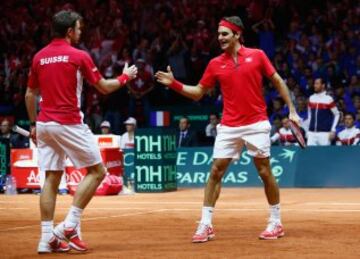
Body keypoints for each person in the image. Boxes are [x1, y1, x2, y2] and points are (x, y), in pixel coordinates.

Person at [155, 16, 300, 242]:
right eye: (219, 34)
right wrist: (174, 84)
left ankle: (276, 221)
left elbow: (278, 81)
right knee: (215, 172)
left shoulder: (257, 55)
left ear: (237, 34)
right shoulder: (215, 64)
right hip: (229, 125)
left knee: (264, 172)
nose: (220, 37)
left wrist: (292, 110)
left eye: (224, 34)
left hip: (256, 123)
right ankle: (206, 224)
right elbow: (198, 92)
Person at [25, 10, 137, 254]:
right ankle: (68, 226)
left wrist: (33, 124)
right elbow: (105, 88)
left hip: (44, 124)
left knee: (51, 179)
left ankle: (46, 238)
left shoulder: (39, 57)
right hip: (69, 122)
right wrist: (125, 77)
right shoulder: (78, 56)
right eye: (78, 28)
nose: (80, 32)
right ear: (69, 31)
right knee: (97, 172)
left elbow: (29, 94)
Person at [307, 78, 340, 146]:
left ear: (323, 85)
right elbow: (309, 114)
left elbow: (337, 114)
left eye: (317, 83)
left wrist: (333, 130)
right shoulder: (311, 98)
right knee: (310, 155)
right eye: (314, 83)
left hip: (325, 133)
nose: (314, 85)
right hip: (311, 133)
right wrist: (308, 130)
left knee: (324, 155)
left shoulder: (328, 99)